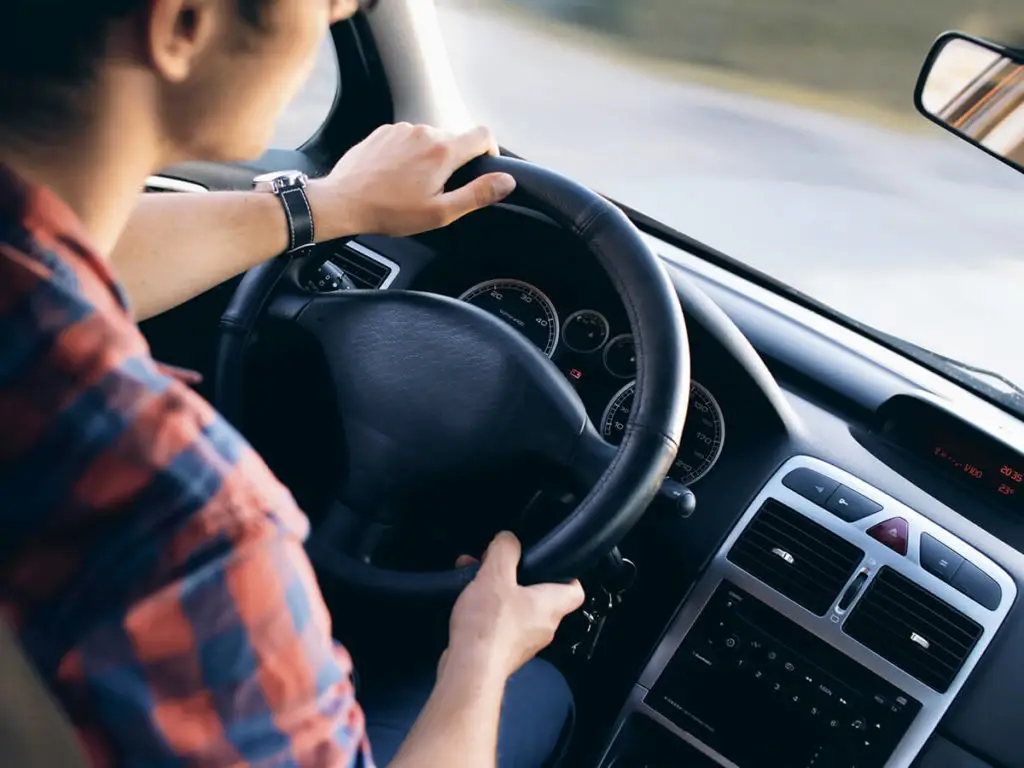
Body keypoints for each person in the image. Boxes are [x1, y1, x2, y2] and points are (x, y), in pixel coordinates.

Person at [0, 1, 586, 766]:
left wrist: (331, 204)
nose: (337, 13)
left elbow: (72, 261)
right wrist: (480, 655)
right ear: (183, 23)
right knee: (538, 693)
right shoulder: (183, 523)